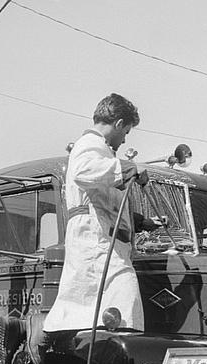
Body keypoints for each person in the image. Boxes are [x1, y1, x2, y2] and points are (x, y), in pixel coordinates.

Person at [44, 93, 152, 333]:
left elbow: (104, 202)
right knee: (123, 300)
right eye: (126, 133)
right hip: (95, 243)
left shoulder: (101, 151)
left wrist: (141, 222)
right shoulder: (89, 145)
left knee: (109, 309)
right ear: (119, 124)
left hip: (102, 242)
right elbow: (83, 172)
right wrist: (128, 168)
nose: (124, 141)